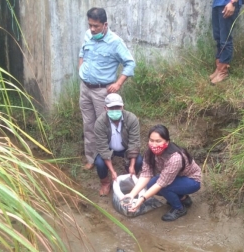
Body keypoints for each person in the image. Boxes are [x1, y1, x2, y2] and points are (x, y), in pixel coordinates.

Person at [78, 7, 136, 170]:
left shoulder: (115, 42)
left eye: (96, 26)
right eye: (90, 25)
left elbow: (130, 63)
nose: (92, 29)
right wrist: (80, 69)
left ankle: (107, 160)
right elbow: (82, 52)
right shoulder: (88, 35)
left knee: (105, 127)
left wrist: (118, 83)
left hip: (102, 91)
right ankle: (91, 159)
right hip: (85, 89)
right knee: (88, 125)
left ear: (105, 24)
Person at [121, 124, 202, 221]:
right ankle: (183, 198)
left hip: (192, 180)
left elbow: (161, 183)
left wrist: (141, 199)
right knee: (150, 185)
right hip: (175, 178)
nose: (154, 145)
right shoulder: (149, 153)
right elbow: (145, 174)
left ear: (167, 142)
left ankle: (179, 208)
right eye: (151, 140)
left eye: (158, 141)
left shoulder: (175, 158)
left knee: (164, 187)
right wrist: (132, 194)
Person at [94, 93, 143, 196]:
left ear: (123, 107)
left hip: (125, 148)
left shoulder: (131, 119)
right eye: (111, 108)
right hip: (109, 148)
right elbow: (103, 148)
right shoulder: (100, 123)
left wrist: (132, 165)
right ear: (105, 108)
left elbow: (134, 143)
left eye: (118, 107)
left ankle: (127, 177)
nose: (115, 110)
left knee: (138, 161)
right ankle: (105, 183)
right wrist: (112, 171)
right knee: (99, 162)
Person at [209, 0, 242, 84]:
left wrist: (232, 3)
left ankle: (223, 72)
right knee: (219, 38)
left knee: (225, 40)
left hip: (228, 4)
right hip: (218, 3)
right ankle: (219, 69)